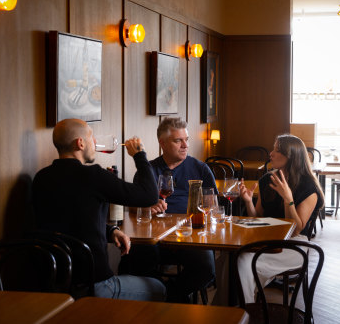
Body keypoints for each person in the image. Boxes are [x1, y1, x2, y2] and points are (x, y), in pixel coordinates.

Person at [32, 118, 166, 301]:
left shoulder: (41, 178)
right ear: (80, 143)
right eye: (91, 137)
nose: (94, 142)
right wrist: (139, 155)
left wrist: (111, 231)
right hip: (94, 286)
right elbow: (149, 196)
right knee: (159, 288)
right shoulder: (93, 176)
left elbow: (66, 221)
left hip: (52, 285)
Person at [122, 117, 217, 303]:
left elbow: (212, 208)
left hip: (191, 236)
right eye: (178, 140)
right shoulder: (148, 170)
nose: (185, 145)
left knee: (206, 268)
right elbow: (133, 206)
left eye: (186, 140)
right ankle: (157, 297)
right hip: (155, 236)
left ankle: (170, 296)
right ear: (162, 143)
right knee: (131, 262)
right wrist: (147, 207)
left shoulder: (201, 169)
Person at [237, 134, 325, 303]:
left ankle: (245, 311)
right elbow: (258, 219)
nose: (271, 154)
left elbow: (297, 229)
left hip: (295, 245)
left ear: (290, 156)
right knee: (231, 258)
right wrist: (248, 202)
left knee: (243, 260)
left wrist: (288, 199)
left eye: (277, 150)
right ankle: (231, 310)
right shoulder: (266, 180)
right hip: (267, 239)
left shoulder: (308, 187)